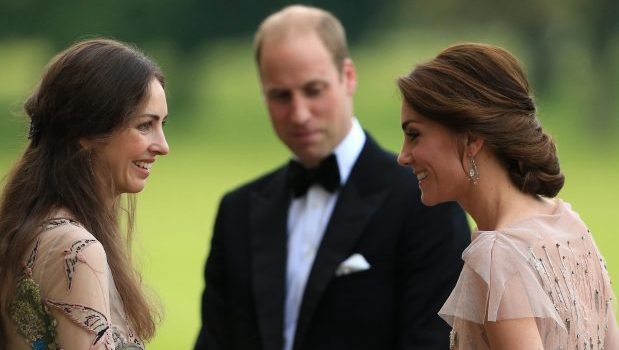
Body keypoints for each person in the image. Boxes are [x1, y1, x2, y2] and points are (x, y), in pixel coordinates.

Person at [195, 5, 470, 350]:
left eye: (314, 90)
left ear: (348, 77)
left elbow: (429, 342)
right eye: (281, 95)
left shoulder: (426, 201)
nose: (299, 114)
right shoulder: (237, 211)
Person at [396, 42, 619, 349]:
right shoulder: (568, 223)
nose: (404, 156)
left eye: (414, 135)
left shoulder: (497, 255)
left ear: (472, 138)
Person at [0, 38, 169, 350]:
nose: (163, 146)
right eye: (145, 126)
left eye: (162, 125)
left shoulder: (30, 227)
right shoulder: (76, 249)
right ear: (89, 132)